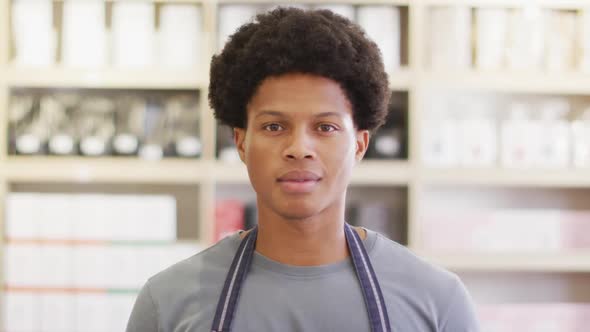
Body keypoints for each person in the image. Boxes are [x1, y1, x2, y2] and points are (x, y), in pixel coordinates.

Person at [126, 7, 480, 332]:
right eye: (274, 127)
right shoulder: (167, 302)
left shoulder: (438, 302)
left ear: (359, 144)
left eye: (325, 127)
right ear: (241, 142)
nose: (299, 149)